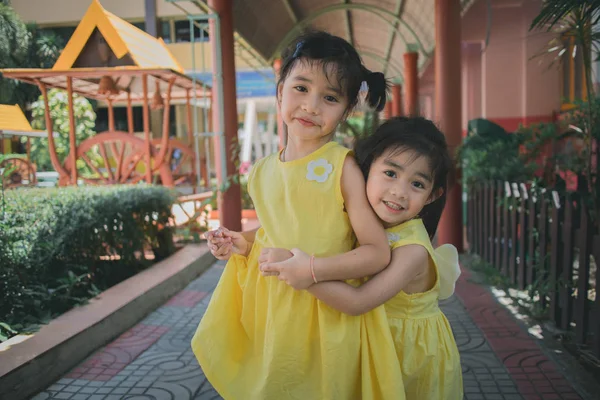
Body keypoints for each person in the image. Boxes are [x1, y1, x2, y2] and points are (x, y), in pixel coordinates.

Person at [193, 31, 404, 399]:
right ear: (280, 91)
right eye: (301, 88)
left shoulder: (343, 167)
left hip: (328, 311)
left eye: (330, 97)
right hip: (275, 312)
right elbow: (277, 231)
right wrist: (241, 243)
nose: (311, 106)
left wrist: (311, 270)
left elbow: (377, 251)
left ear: (347, 109)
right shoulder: (260, 171)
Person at [260, 116, 464, 400]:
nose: (399, 192)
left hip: (407, 355)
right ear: (365, 170)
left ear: (432, 196)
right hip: (372, 345)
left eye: (417, 184)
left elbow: (358, 302)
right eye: (390, 174)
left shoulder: (413, 250)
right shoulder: (364, 221)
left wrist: (306, 273)